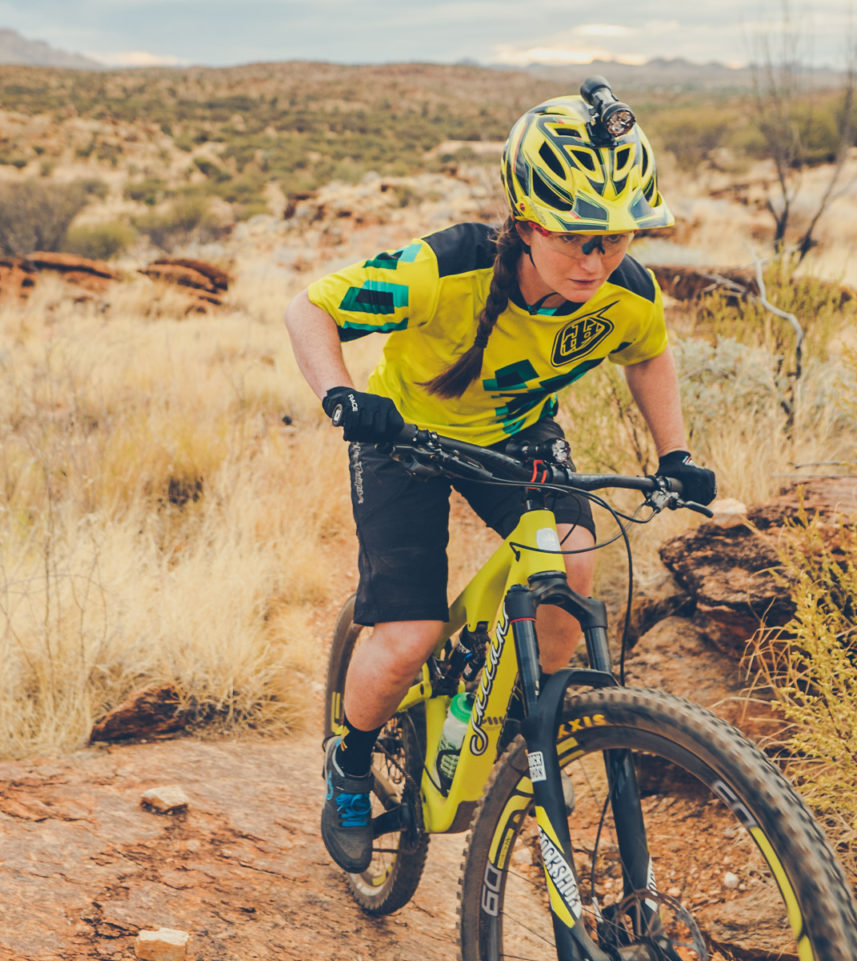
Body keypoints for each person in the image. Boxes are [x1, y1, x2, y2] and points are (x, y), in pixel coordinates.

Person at [285, 84, 717, 874]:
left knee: (570, 568)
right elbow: (309, 309)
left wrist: (675, 456)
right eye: (575, 239)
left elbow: (650, 352)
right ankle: (348, 761)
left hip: (516, 439)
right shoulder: (441, 268)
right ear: (524, 222)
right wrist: (342, 396)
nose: (596, 260)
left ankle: (531, 733)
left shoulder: (625, 291)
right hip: (403, 439)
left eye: (615, 239)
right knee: (409, 636)